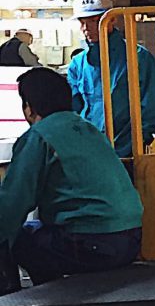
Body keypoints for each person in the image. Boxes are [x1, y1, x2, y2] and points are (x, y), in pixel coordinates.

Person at [0, 68, 144, 294]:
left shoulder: (39, 136)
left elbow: (11, 206)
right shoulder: (88, 129)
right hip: (131, 240)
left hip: (91, 244)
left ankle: (33, 305)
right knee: (37, 229)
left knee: (16, 236)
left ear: (29, 106)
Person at [66, 0, 155, 159]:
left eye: (95, 21)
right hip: (89, 154)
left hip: (129, 155)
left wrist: (132, 146)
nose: (86, 28)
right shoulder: (78, 64)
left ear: (112, 20)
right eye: (82, 22)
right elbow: (72, 110)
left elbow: (153, 109)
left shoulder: (137, 57)